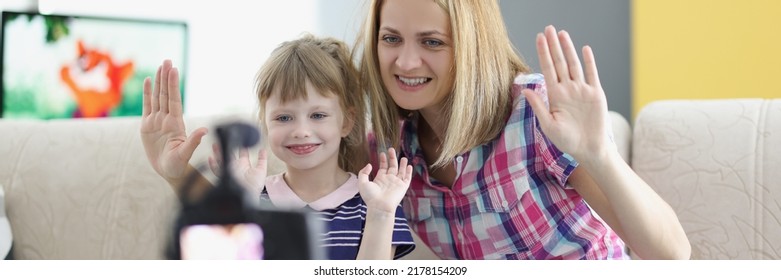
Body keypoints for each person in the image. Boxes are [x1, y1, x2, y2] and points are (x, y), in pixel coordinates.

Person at [352, 0, 691, 259]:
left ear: (473, 45)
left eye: (432, 42)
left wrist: (599, 154)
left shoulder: (534, 113)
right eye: (391, 38)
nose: (406, 62)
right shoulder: (388, 152)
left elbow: (672, 255)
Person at [140, 34, 416, 260]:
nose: (301, 131)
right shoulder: (251, 196)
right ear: (265, 123)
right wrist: (177, 174)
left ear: (347, 121)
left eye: (318, 115)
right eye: (284, 117)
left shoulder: (375, 202)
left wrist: (381, 213)